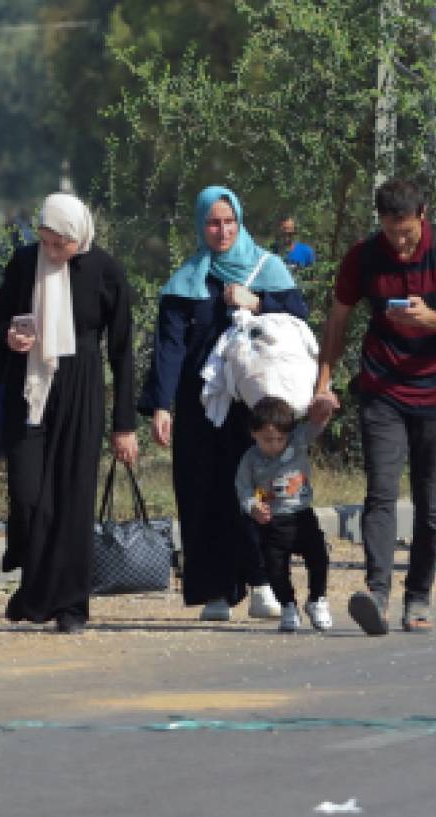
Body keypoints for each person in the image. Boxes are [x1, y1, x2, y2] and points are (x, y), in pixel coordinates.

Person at [315, 178, 436, 635]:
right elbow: (338, 320)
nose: (401, 243)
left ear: (422, 215)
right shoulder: (364, 256)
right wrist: (323, 382)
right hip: (382, 387)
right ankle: (378, 593)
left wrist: (428, 318)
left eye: (406, 232)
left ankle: (419, 597)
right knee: (381, 492)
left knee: (429, 503)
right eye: (391, 232)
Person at [142, 185, 309, 622]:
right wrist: (162, 406)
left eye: (229, 222)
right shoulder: (185, 282)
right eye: (213, 223)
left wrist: (257, 301)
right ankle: (216, 592)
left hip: (252, 408)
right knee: (202, 494)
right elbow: (170, 348)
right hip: (199, 409)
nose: (222, 231)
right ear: (201, 225)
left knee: (253, 491)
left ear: (240, 222)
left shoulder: (265, 268)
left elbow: (299, 318)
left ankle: (262, 583)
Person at [0, 193, 136, 634]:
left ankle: (71, 605)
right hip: (31, 387)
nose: (51, 253)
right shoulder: (23, 263)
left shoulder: (105, 270)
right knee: (28, 494)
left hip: (82, 388)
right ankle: (34, 590)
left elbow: (123, 350)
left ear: (79, 236)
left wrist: (124, 424)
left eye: (60, 245)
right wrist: (10, 337)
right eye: (45, 242)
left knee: (73, 497)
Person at [236, 395, 335, 633]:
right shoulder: (250, 459)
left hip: (302, 516)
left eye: (280, 438)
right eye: (267, 439)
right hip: (272, 521)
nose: (274, 444)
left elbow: (315, 425)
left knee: (319, 557)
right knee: (275, 567)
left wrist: (325, 409)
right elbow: (243, 488)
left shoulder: (297, 441)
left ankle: (317, 600)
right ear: (254, 433)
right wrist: (252, 507)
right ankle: (288, 606)